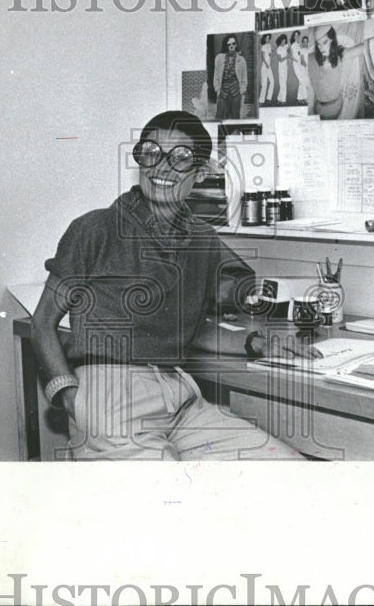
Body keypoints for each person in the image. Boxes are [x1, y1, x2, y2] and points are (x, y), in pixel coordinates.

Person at [29, 111, 317, 460]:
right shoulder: (95, 229)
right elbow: (42, 322)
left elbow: (191, 330)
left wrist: (258, 343)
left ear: (198, 173)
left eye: (180, 158)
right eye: (152, 153)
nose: (162, 168)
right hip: (109, 398)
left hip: (179, 398)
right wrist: (69, 395)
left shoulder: (201, 240)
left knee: (287, 470)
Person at [212, 34, 247, 120]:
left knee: (235, 119)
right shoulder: (219, 58)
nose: (231, 46)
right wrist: (217, 90)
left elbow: (244, 79)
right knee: (220, 118)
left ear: (236, 44)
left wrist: (241, 91)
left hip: (236, 93)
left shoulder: (241, 60)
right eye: (229, 44)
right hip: (223, 92)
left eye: (233, 43)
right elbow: (216, 76)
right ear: (226, 45)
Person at [258, 32, 273, 104]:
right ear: (264, 38)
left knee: (272, 82)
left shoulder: (269, 45)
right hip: (264, 66)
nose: (268, 39)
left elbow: (270, 55)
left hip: (269, 67)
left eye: (269, 38)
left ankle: (268, 98)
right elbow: (263, 58)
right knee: (264, 84)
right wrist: (267, 64)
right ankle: (261, 101)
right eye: (267, 38)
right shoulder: (263, 46)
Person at [274, 33, 290, 103]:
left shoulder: (286, 46)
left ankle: (278, 99)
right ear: (280, 41)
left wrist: (289, 51)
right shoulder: (278, 49)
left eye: (284, 41)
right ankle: (283, 100)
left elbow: (289, 49)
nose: (283, 42)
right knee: (282, 83)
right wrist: (287, 56)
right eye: (282, 41)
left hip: (285, 67)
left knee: (284, 83)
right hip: (281, 67)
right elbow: (280, 60)